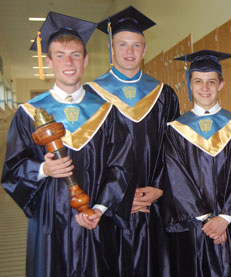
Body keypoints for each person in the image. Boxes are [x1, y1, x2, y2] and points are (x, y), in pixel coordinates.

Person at [1, 12, 133, 276]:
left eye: (75, 54)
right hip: (51, 221)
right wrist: (43, 170)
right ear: (49, 61)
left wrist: (100, 208)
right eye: (60, 55)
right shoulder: (28, 114)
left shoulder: (106, 112)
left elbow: (122, 166)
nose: (69, 62)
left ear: (85, 59)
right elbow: (13, 169)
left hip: (94, 219)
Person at [85, 6, 180, 276]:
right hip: (109, 210)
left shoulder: (164, 95)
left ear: (145, 48)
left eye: (136, 45)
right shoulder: (91, 96)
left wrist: (160, 188)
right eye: (122, 44)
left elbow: (175, 151)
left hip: (154, 206)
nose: (130, 51)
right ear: (111, 48)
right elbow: (86, 159)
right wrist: (119, 200)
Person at [162, 50, 231, 276]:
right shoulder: (176, 130)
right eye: (198, 81)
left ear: (221, 84)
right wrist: (208, 221)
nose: (205, 88)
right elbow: (176, 180)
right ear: (189, 85)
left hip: (230, 227)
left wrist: (224, 218)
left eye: (211, 81)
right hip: (194, 229)